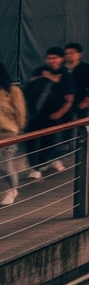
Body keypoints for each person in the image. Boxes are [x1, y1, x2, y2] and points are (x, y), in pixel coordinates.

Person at [23, 48, 75, 178]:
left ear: (61, 59)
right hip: (35, 113)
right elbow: (28, 88)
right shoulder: (39, 70)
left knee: (48, 140)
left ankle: (39, 166)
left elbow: (70, 97)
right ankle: (35, 165)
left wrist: (60, 112)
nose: (51, 61)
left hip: (52, 115)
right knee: (30, 140)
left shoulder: (65, 74)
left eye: (55, 58)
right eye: (49, 58)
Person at [0, 63, 26, 205]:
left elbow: (20, 112)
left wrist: (18, 130)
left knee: (5, 165)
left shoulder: (13, 91)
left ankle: (12, 190)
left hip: (8, 133)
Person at [62, 43, 89, 124]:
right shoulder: (62, 69)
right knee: (65, 124)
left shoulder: (87, 68)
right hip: (64, 102)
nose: (69, 55)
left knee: (82, 122)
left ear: (79, 54)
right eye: (67, 53)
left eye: (72, 53)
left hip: (81, 100)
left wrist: (87, 99)